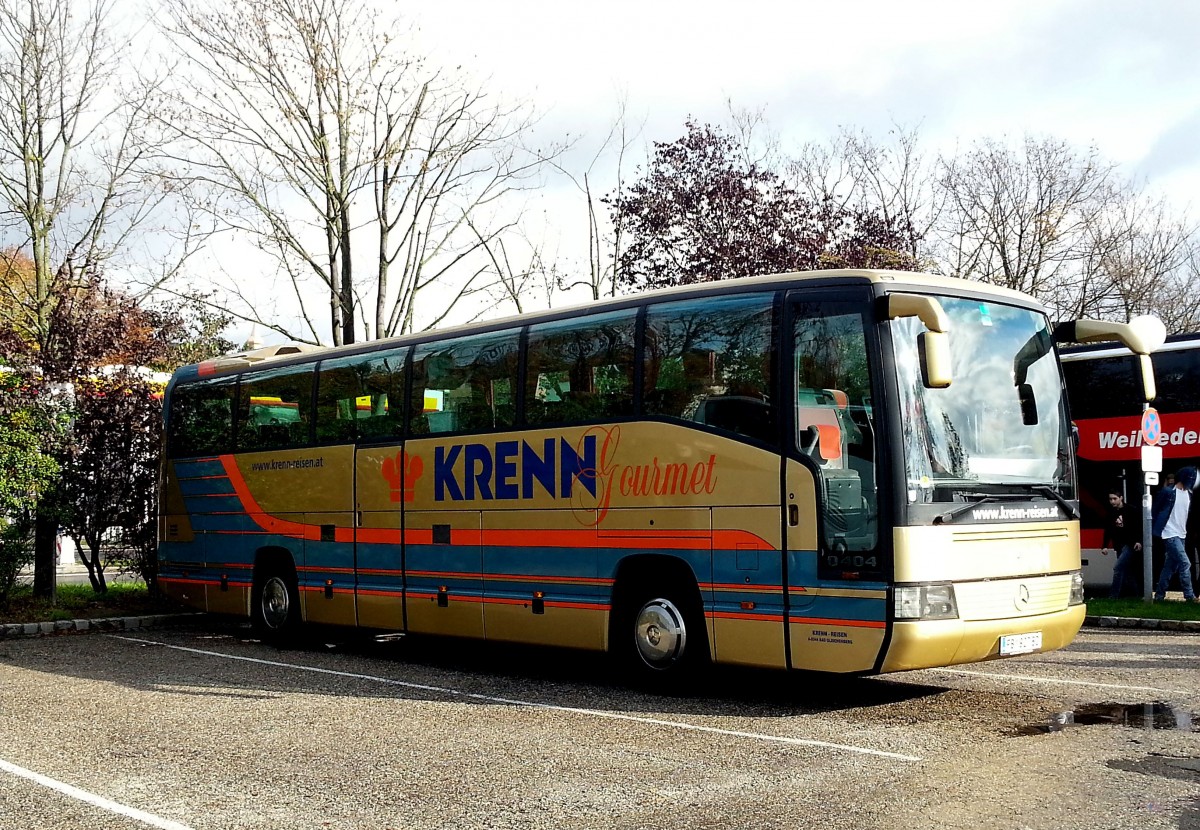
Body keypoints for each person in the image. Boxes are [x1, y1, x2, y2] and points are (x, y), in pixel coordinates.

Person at [1150, 466, 1200, 602]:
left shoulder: (1188, 494)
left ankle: (1159, 595)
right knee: (1185, 563)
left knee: (1170, 566)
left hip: (1181, 533)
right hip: (1169, 533)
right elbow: (1155, 510)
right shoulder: (1168, 492)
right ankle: (1189, 596)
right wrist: (1155, 530)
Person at [1102, 489, 1142, 598]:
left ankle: (1113, 596)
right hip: (1119, 544)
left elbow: (1137, 527)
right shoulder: (1111, 512)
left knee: (1118, 568)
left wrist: (1138, 541)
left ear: (1121, 498)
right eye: (1110, 499)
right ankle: (1136, 595)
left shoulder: (1131, 510)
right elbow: (1108, 529)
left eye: (1115, 499)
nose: (1112, 501)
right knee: (1127, 571)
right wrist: (1105, 545)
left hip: (1130, 544)